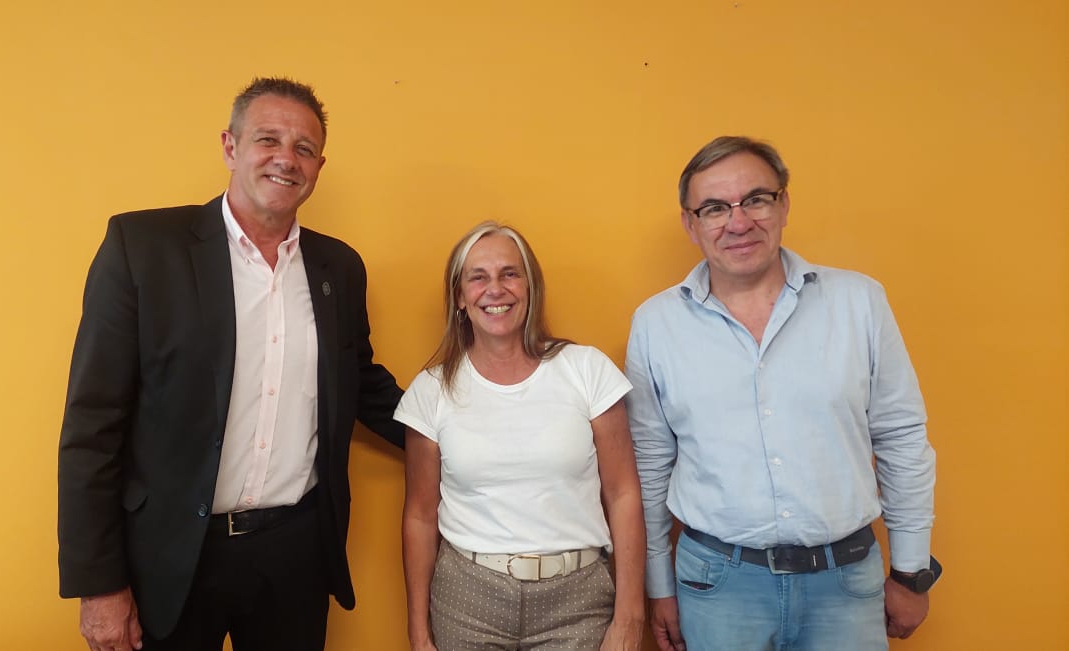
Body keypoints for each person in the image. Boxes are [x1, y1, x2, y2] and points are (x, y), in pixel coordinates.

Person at [57, 77, 404, 651]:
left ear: (318, 166)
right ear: (230, 146)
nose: (286, 158)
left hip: (294, 555)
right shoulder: (143, 247)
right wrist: (98, 585)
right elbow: (92, 425)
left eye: (304, 148)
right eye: (268, 139)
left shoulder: (339, 267)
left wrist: (464, 438)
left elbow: (361, 382)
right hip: (170, 558)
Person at [626, 136, 939, 651]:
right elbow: (651, 464)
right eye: (714, 208)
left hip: (846, 585)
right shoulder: (656, 324)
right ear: (690, 224)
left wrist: (911, 571)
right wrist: (659, 586)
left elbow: (901, 438)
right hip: (716, 589)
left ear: (784, 204)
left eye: (755, 199)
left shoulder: (859, 302)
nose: (738, 222)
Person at [398, 222, 646, 651]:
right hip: (468, 601)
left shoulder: (586, 370)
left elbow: (623, 494)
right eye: (478, 277)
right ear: (460, 297)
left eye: (510, 274)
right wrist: (418, 633)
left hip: (579, 599)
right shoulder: (431, 390)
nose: (495, 289)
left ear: (530, 286)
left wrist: (630, 615)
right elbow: (420, 516)